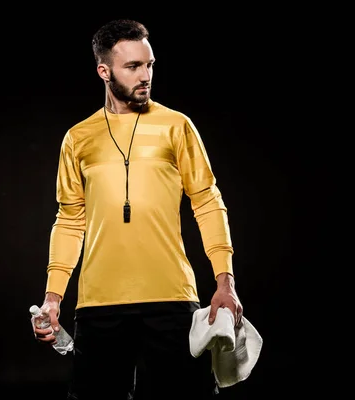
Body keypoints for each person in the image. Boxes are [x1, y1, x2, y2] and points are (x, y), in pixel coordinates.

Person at [32, 19, 243, 400]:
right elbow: (69, 219)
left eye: (149, 65)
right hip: (99, 305)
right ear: (104, 71)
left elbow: (208, 202)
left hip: (172, 299)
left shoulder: (177, 126)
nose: (145, 75)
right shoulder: (78, 138)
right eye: (133, 67)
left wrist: (225, 281)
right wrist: (53, 297)